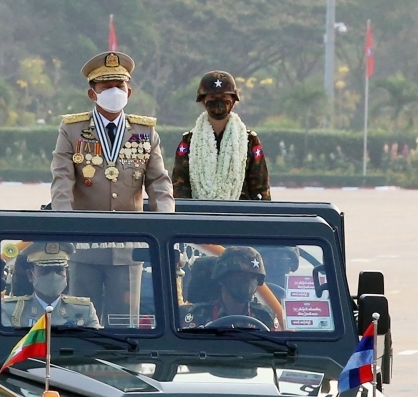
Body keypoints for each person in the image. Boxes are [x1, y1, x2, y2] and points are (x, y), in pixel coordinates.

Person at [49, 51, 174, 327]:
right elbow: (62, 181)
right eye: (107, 88)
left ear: (129, 91)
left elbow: (159, 182)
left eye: (120, 87)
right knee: (81, 323)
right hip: (85, 244)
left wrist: (165, 223)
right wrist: (63, 223)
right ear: (92, 94)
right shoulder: (73, 130)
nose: (115, 92)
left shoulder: (145, 132)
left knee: (123, 325)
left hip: (128, 247)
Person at [171, 71, 271, 201]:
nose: (219, 102)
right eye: (212, 97)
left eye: (224, 97)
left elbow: (260, 189)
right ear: (203, 101)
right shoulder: (189, 141)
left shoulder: (249, 141)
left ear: (233, 101)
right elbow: (180, 188)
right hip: (198, 215)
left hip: (240, 215)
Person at [1, 242, 100, 329]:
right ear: (30, 275)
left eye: (59, 270)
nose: (53, 276)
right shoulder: (11, 311)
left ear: (67, 274)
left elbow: (96, 347)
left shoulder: (84, 310)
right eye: (45, 270)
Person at [183, 246, 279, 330]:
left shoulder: (265, 316)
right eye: (240, 276)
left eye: (253, 277)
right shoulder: (199, 315)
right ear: (222, 278)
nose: (247, 281)